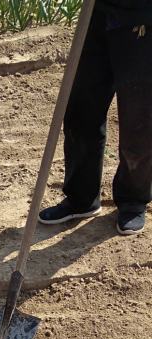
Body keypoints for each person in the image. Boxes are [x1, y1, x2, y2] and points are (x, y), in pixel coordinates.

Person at [39, 0, 152, 235]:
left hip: (142, 17)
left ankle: (133, 200)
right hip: (97, 11)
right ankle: (81, 198)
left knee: (138, 121)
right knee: (81, 109)